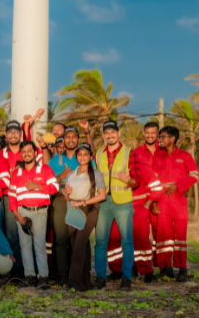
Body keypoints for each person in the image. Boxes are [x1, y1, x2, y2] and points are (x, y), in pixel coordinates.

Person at [93, 120, 140, 291]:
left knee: (126, 241)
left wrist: (128, 180)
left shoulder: (129, 153)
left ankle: (126, 277)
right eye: (107, 133)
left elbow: (137, 181)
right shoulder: (98, 154)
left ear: (119, 133)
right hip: (103, 202)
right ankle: (100, 277)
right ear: (104, 135)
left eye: (113, 132)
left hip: (123, 202)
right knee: (100, 242)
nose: (110, 135)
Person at [149, 126, 199, 282]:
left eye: (163, 137)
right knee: (164, 237)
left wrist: (178, 186)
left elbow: (195, 175)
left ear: (172, 139)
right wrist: (154, 202)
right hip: (162, 201)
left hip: (179, 201)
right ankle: (166, 268)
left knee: (181, 237)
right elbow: (151, 180)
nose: (160, 140)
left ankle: (182, 269)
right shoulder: (157, 157)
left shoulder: (184, 156)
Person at [8, 140, 59, 289]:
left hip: (39, 211)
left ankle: (43, 276)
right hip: (22, 211)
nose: (26, 154)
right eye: (23, 152)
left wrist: (37, 185)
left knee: (39, 246)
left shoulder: (45, 169)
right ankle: (29, 275)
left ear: (35, 153)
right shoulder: (17, 172)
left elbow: (55, 188)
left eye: (29, 151)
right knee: (24, 245)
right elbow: (12, 195)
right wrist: (16, 213)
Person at [46, 122, 91, 284]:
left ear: (78, 139)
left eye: (73, 137)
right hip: (60, 200)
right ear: (63, 140)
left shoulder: (84, 157)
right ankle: (62, 274)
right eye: (67, 137)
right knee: (60, 238)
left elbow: (92, 178)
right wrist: (62, 176)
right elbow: (49, 183)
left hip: (80, 201)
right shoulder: (54, 160)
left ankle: (80, 273)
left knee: (79, 240)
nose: (70, 140)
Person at [62, 143, 107, 292]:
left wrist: (84, 202)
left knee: (79, 247)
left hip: (89, 210)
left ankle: (73, 282)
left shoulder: (96, 173)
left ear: (90, 157)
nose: (82, 157)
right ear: (76, 156)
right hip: (74, 210)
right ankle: (84, 283)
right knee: (76, 246)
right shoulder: (71, 175)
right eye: (80, 154)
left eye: (85, 154)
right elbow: (67, 199)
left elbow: (101, 195)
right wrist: (66, 193)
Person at [0, 120, 36, 276]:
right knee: (13, 235)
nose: (13, 134)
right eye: (10, 132)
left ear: (21, 134)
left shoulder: (27, 151)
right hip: (9, 198)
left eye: (16, 131)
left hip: (29, 197)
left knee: (30, 233)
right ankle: (17, 271)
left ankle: (32, 270)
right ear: (6, 136)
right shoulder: (0, 154)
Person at [128, 122, 161, 282]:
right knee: (126, 238)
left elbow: (157, 188)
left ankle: (147, 270)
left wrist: (148, 203)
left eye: (153, 133)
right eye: (147, 132)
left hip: (142, 206)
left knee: (143, 238)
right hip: (125, 206)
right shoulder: (131, 159)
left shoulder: (144, 166)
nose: (149, 135)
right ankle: (131, 267)